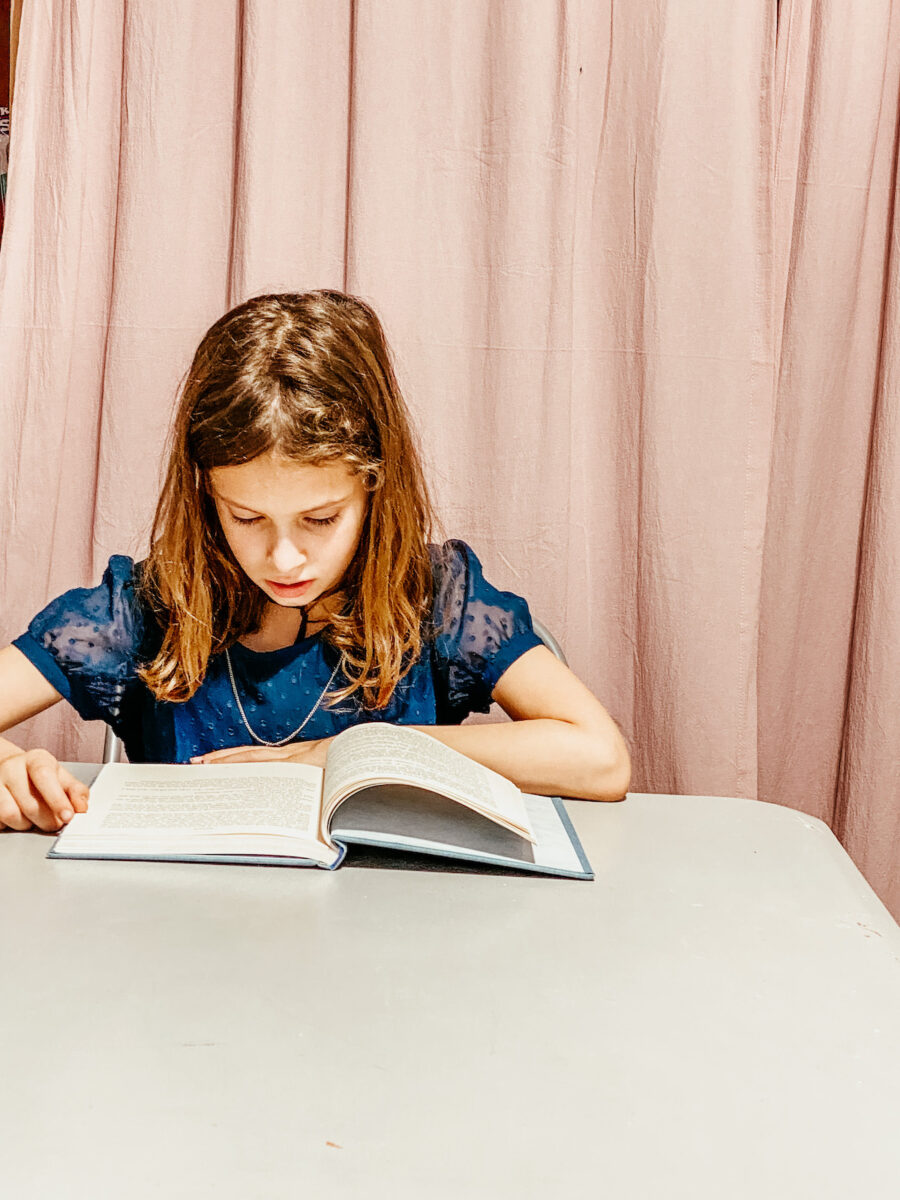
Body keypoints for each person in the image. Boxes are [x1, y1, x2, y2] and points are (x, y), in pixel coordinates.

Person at [0, 290, 631, 833]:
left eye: (321, 519)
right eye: (246, 518)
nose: (284, 557)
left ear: (375, 490)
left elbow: (600, 758)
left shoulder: (438, 600)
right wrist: (5, 772)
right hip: (190, 941)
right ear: (205, 495)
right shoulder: (147, 608)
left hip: (392, 941)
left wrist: (355, 752)